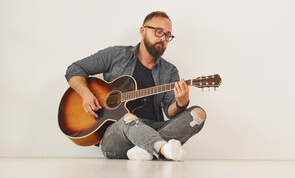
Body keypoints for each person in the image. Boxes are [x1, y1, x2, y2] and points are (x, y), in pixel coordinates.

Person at [65, 11, 206, 161]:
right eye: (158, 32)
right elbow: (74, 69)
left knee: (198, 114)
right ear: (142, 31)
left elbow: (170, 112)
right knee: (129, 119)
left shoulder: (170, 71)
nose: (163, 39)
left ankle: (145, 149)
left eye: (167, 35)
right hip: (117, 135)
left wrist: (181, 103)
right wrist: (86, 93)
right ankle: (161, 148)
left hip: (153, 128)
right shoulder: (116, 55)